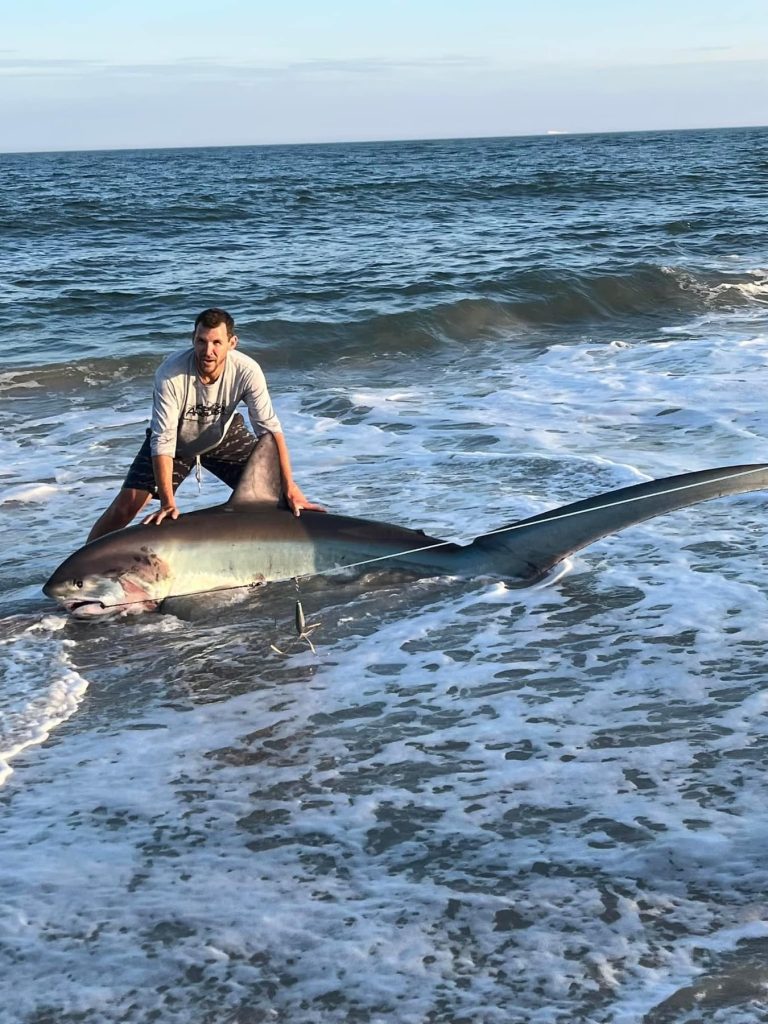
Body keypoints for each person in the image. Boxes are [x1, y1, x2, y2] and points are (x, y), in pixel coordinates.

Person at [88, 307, 322, 542]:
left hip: (223, 436)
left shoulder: (247, 371)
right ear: (193, 339)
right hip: (177, 445)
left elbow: (270, 431)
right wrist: (168, 504)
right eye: (201, 341)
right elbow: (163, 440)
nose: (208, 351)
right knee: (126, 506)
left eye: (217, 343)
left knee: (283, 496)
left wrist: (288, 486)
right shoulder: (171, 373)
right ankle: (80, 560)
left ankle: (312, 549)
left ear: (232, 343)